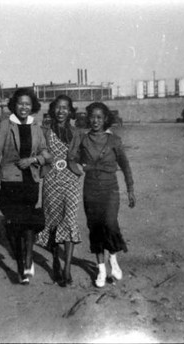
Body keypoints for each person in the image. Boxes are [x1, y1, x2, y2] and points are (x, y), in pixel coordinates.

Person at [0, 88, 50, 285]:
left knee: (28, 226)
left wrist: (32, 160)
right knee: (14, 227)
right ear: (15, 105)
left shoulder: (37, 128)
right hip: (10, 183)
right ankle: (21, 264)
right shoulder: (6, 125)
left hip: (30, 182)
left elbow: (46, 154)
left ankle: (27, 263)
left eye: (28, 104)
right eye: (20, 103)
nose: (24, 107)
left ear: (33, 107)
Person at [68, 102, 136, 288]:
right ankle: (101, 270)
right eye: (92, 117)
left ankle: (113, 258)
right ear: (87, 118)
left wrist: (130, 189)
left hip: (110, 189)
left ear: (106, 118)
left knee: (110, 223)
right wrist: (78, 169)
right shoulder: (82, 138)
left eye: (99, 117)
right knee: (95, 228)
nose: (95, 120)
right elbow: (71, 159)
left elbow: (125, 166)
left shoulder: (115, 140)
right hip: (90, 189)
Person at [36, 95, 81, 287]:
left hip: (71, 180)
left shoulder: (77, 133)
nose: (61, 111)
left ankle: (67, 268)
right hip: (51, 179)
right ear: (53, 110)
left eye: (65, 108)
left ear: (70, 111)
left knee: (69, 220)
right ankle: (55, 259)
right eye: (58, 107)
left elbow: (85, 154)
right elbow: (36, 151)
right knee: (52, 221)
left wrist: (82, 166)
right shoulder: (44, 131)